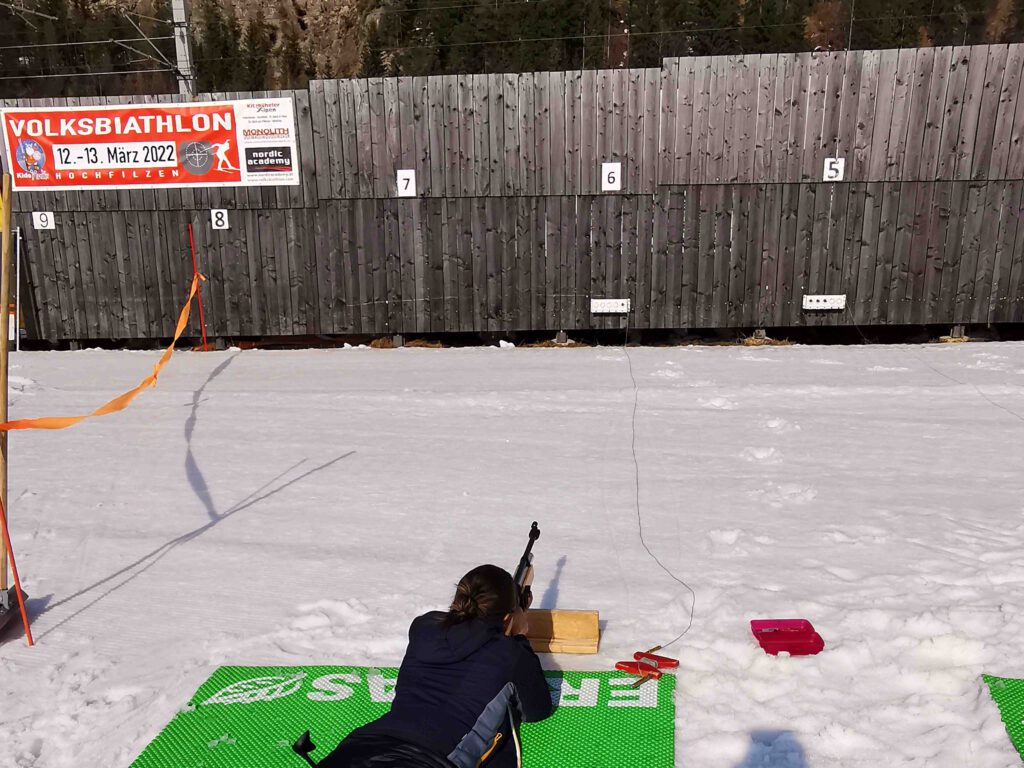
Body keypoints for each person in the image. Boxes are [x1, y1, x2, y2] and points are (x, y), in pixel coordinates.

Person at [320, 564, 553, 768]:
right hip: (425, 760)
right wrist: (519, 637)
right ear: (507, 618)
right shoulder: (510, 652)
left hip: (360, 746)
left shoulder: (425, 627)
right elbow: (536, 709)